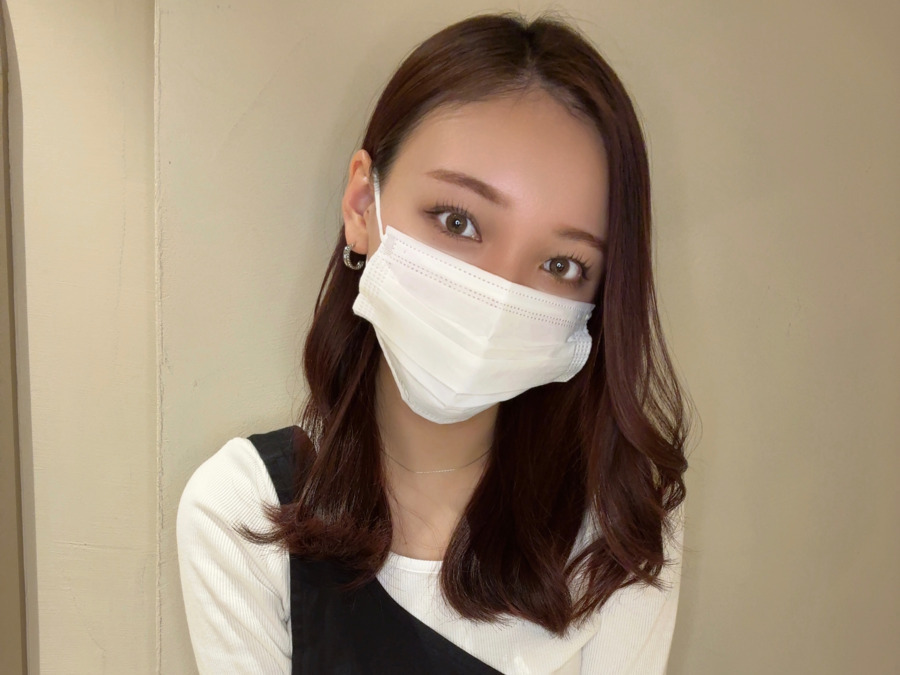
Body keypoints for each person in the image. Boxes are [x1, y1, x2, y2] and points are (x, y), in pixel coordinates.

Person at [177, 11, 691, 675]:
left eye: (562, 264)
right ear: (362, 205)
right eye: (458, 221)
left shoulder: (618, 532)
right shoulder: (242, 509)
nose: (499, 295)